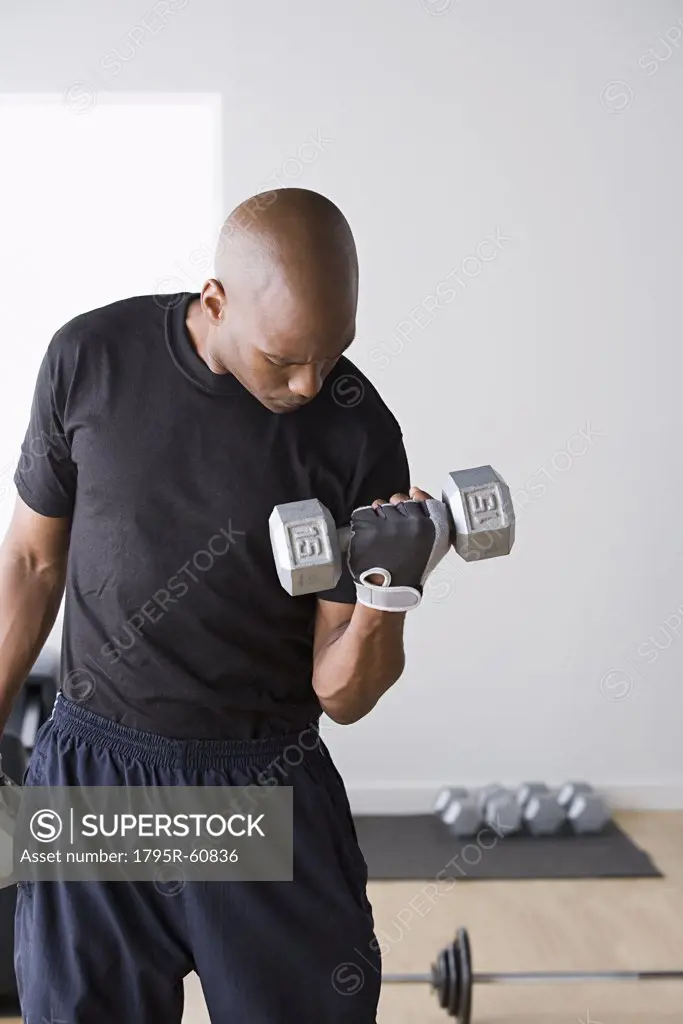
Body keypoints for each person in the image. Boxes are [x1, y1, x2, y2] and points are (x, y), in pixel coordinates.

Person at [0, 188, 449, 1023]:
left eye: (334, 352)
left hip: (259, 785)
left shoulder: (358, 433)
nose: (312, 382)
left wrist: (390, 592)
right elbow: (30, 561)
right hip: (99, 776)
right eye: (284, 360)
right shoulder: (90, 358)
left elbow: (341, 694)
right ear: (215, 301)